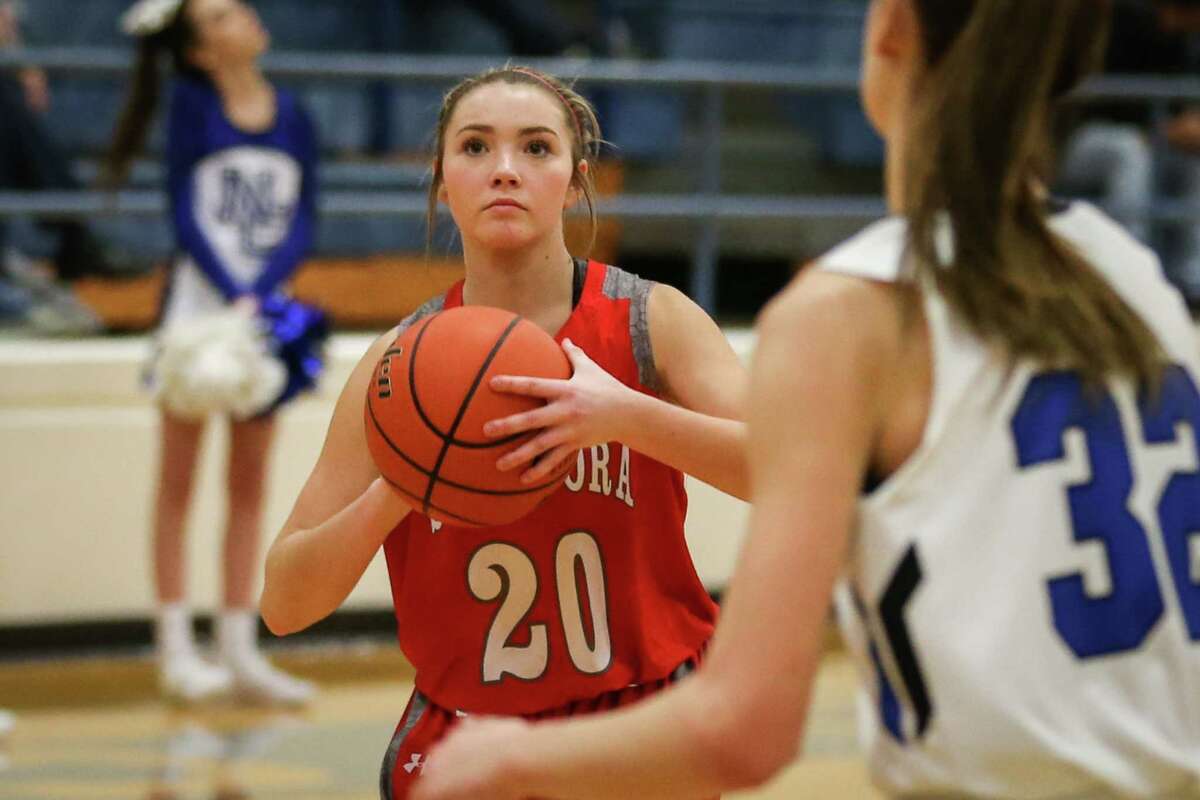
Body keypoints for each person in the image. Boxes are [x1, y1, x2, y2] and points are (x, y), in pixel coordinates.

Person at [412, 1, 1200, 798]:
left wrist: (507, 758)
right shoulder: (1136, 275)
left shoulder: (847, 312)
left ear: (888, 28)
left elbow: (743, 729)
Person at [259, 65, 749, 799]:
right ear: (440, 178)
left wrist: (624, 415)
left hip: (644, 719)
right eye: (477, 147)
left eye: (537, 149)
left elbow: (790, 473)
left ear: (576, 178)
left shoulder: (652, 322)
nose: (506, 171)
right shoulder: (397, 368)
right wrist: (396, 490)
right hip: (467, 735)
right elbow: (285, 603)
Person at [105, 0, 318, 706]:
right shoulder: (193, 109)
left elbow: (304, 215)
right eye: (223, 15)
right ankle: (174, 647)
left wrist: (260, 292)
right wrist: (231, 290)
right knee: (178, 484)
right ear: (200, 50)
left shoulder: (293, 114)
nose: (248, 16)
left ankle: (237, 646)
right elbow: (185, 213)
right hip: (198, 317)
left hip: (263, 318)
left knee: (250, 486)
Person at [1059, 0, 1200, 304]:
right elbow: (1089, 101)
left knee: (1192, 156)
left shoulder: (1188, 40)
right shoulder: (1121, 22)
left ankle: (1192, 277)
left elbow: (1181, 110)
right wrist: (1157, 132)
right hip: (1077, 139)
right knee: (1127, 151)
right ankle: (1133, 275)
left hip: (1156, 140)